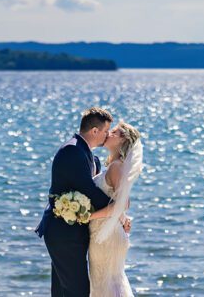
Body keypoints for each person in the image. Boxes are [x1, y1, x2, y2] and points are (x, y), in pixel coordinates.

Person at [37, 107, 123, 297]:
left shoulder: (90, 155)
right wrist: (116, 209)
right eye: (105, 131)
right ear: (94, 131)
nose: (107, 135)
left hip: (74, 232)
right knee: (78, 291)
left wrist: (117, 212)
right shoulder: (72, 151)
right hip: (63, 232)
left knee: (63, 291)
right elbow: (88, 189)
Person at [89, 121, 144, 296]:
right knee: (110, 284)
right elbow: (116, 204)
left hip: (106, 236)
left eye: (114, 132)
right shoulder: (115, 166)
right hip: (109, 232)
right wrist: (122, 219)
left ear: (123, 141)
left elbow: (123, 203)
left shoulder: (116, 167)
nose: (109, 134)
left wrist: (88, 217)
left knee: (105, 285)